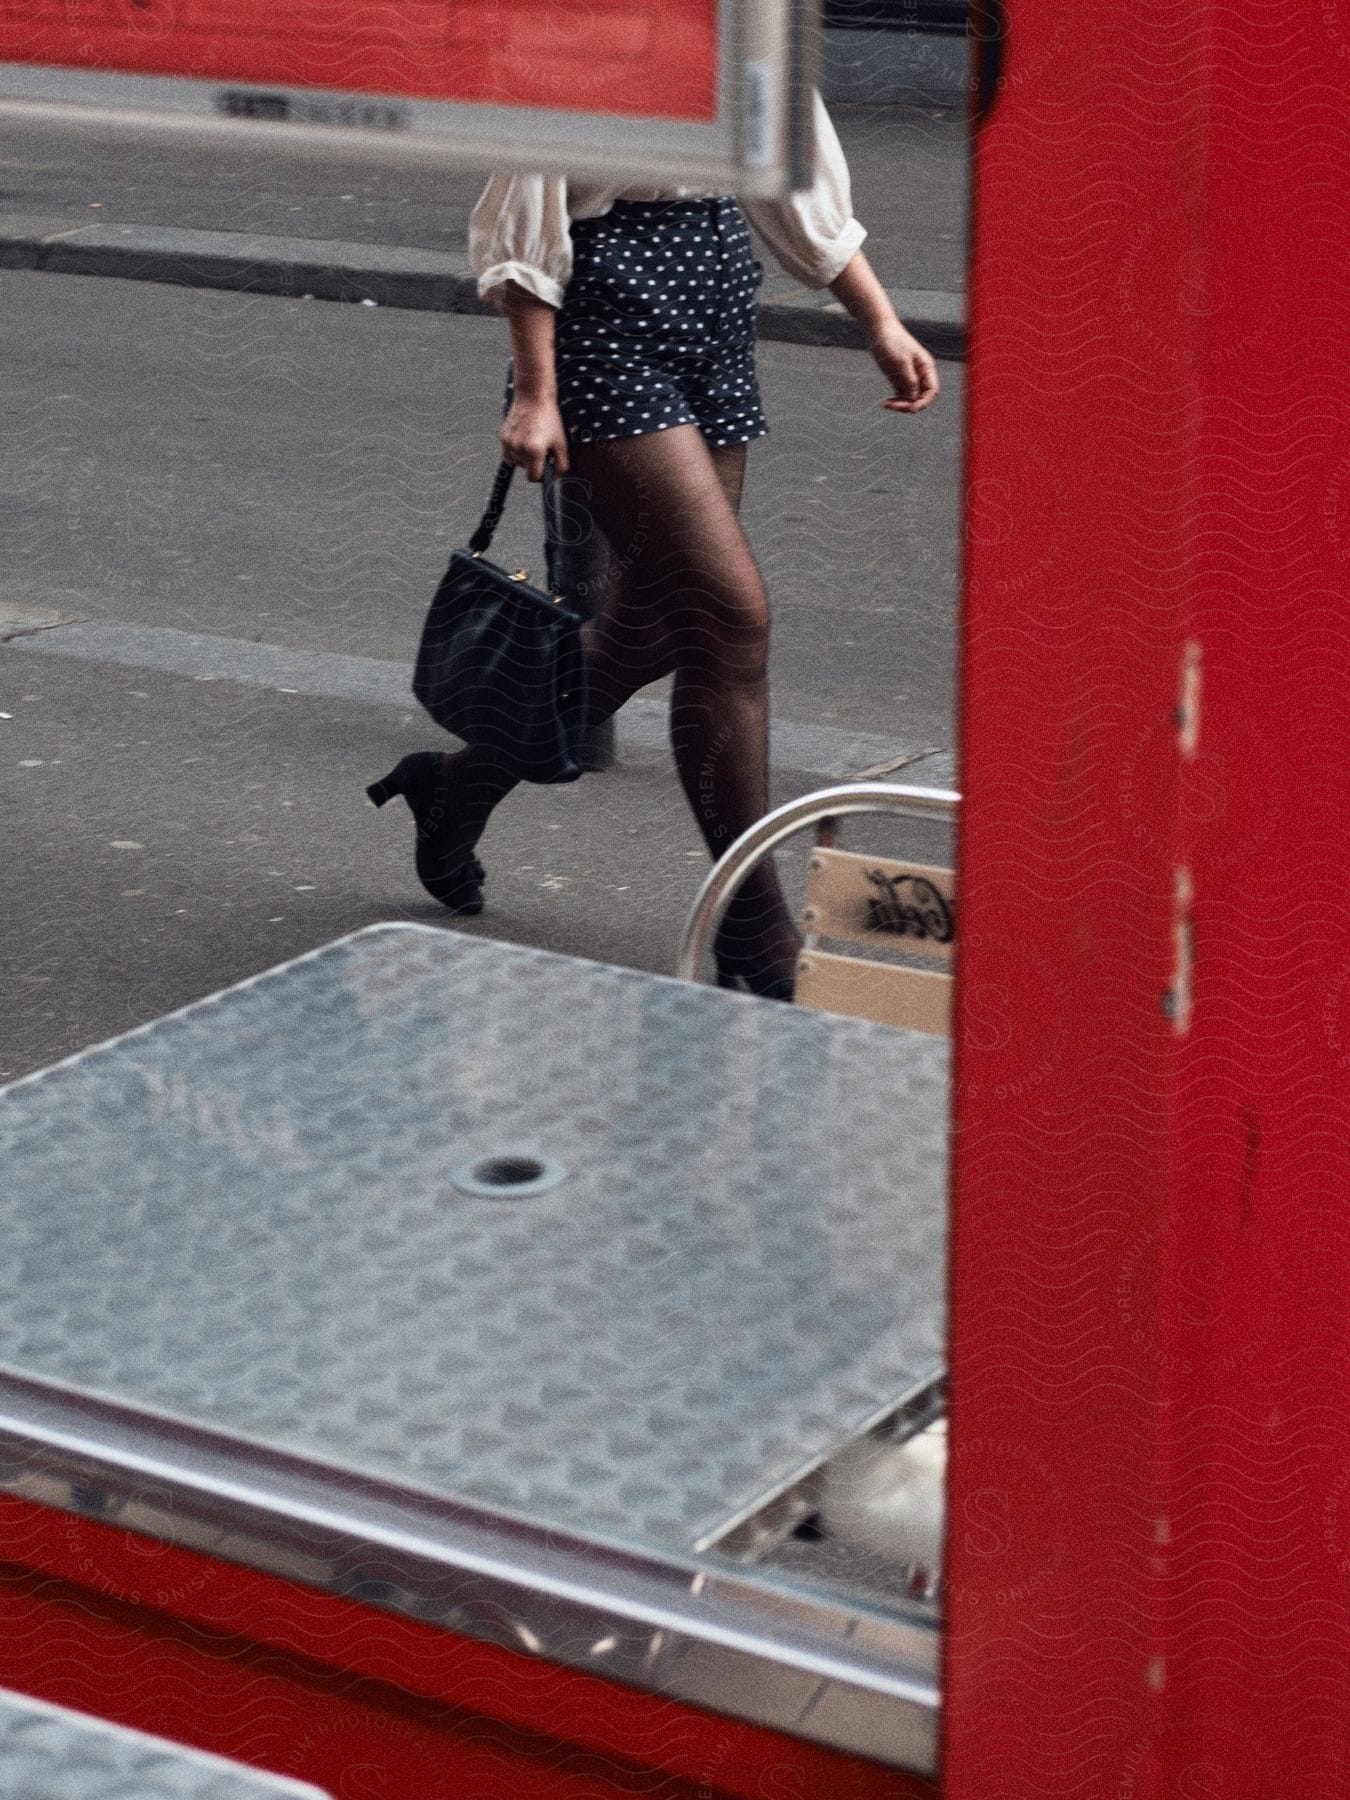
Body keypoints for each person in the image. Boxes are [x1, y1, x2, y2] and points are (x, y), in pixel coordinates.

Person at [369, 94, 939, 996]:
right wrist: (533, 388)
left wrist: (876, 316)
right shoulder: (601, 30)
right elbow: (529, 191)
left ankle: (456, 789)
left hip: (712, 284)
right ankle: (755, 938)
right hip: (602, 306)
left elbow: (790, 162)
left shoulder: (750, 23)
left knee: (658, 627)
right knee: (729, 619)